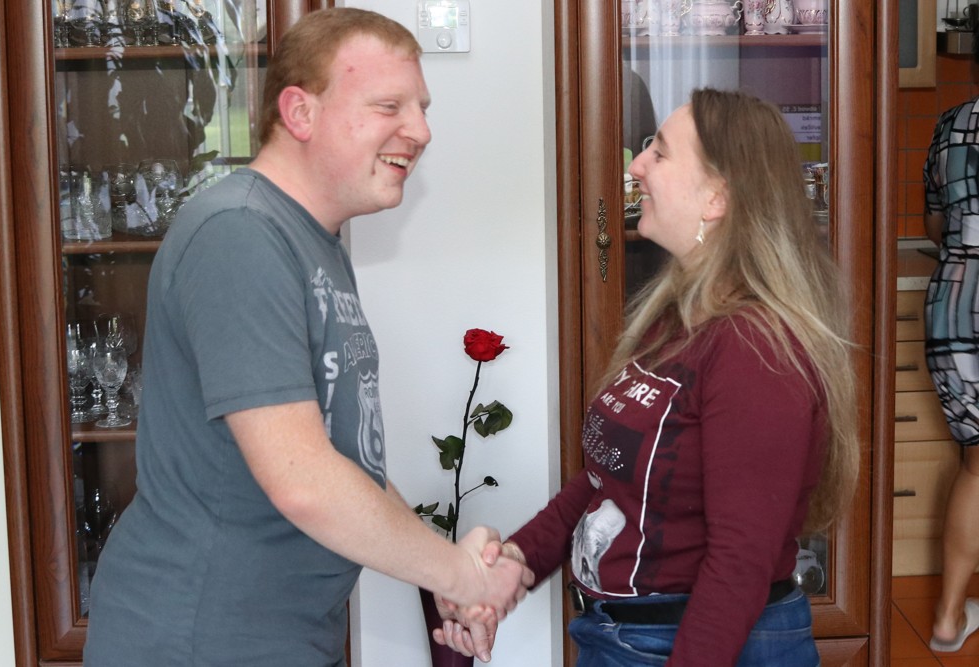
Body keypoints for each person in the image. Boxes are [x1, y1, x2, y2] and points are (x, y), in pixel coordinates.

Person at [83, 8, 530, 666]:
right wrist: (461, 575)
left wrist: (442, 572)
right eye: (389, 106)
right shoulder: (239, 233)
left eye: (422, 108)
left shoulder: (312, 242)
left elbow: (346, 463)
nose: (421, 130)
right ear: (300, 112)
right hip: (201, 638)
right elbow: (304, 480)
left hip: (276, 636)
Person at [438, 88, 860, 665]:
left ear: (717, 197)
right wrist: (515, 563)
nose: (636, 165)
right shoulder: (677, 318)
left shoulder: (755, 349)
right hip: (625, 638)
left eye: (658, 153)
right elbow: (604, 481)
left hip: (689, 644)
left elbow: (740, 561)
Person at [922, 89, 979, 653]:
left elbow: (935, 224)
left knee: (977, 465)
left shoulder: (951, 123)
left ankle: (947, 618)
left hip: (955, 305)